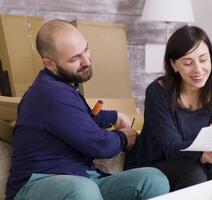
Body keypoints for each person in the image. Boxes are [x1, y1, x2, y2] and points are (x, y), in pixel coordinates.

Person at [5, 19, 169, 200]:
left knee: (153, 179)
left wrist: (115, 116)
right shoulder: (49, 92)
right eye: (75, 58)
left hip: (84, 179)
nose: (86, 61)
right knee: (82, 190)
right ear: (49, 64)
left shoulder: (64, 87)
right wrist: (125, 137)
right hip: (38, 184)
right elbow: (99, 145)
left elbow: (80, 117)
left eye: (86, 49)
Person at [125, 25, 212, 191]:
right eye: (188, 63)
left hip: (193, 162)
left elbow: (211, 143)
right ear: (174, 65)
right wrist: (203, 154)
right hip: (151, 164)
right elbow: (171, 147)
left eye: (203, 60)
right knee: (194, 173)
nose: (198, 69)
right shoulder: (157, 92)